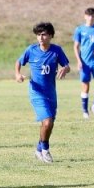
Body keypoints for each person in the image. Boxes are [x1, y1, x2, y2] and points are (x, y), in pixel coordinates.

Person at [16, 22, 70, 163]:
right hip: (37, 92)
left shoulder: (56, 51)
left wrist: (65, 69)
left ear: (51, 36)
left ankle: (39, 149)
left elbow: (67, 65)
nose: (40, 37)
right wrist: (17, 74)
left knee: (49, 124)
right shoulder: (31, 50)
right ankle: (45, 150)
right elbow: (19, 62)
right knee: (47, 122)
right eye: (38, 35)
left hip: (51, 93)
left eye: (44, 34)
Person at [73, 7, 94, 119]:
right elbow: (76, 46)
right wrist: (78, 61)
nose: (91, 18)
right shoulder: (79, 29)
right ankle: (85, 111)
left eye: (93, 16)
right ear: (85, 16)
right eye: (89, 15)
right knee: (85, 86)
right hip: (85, 63)